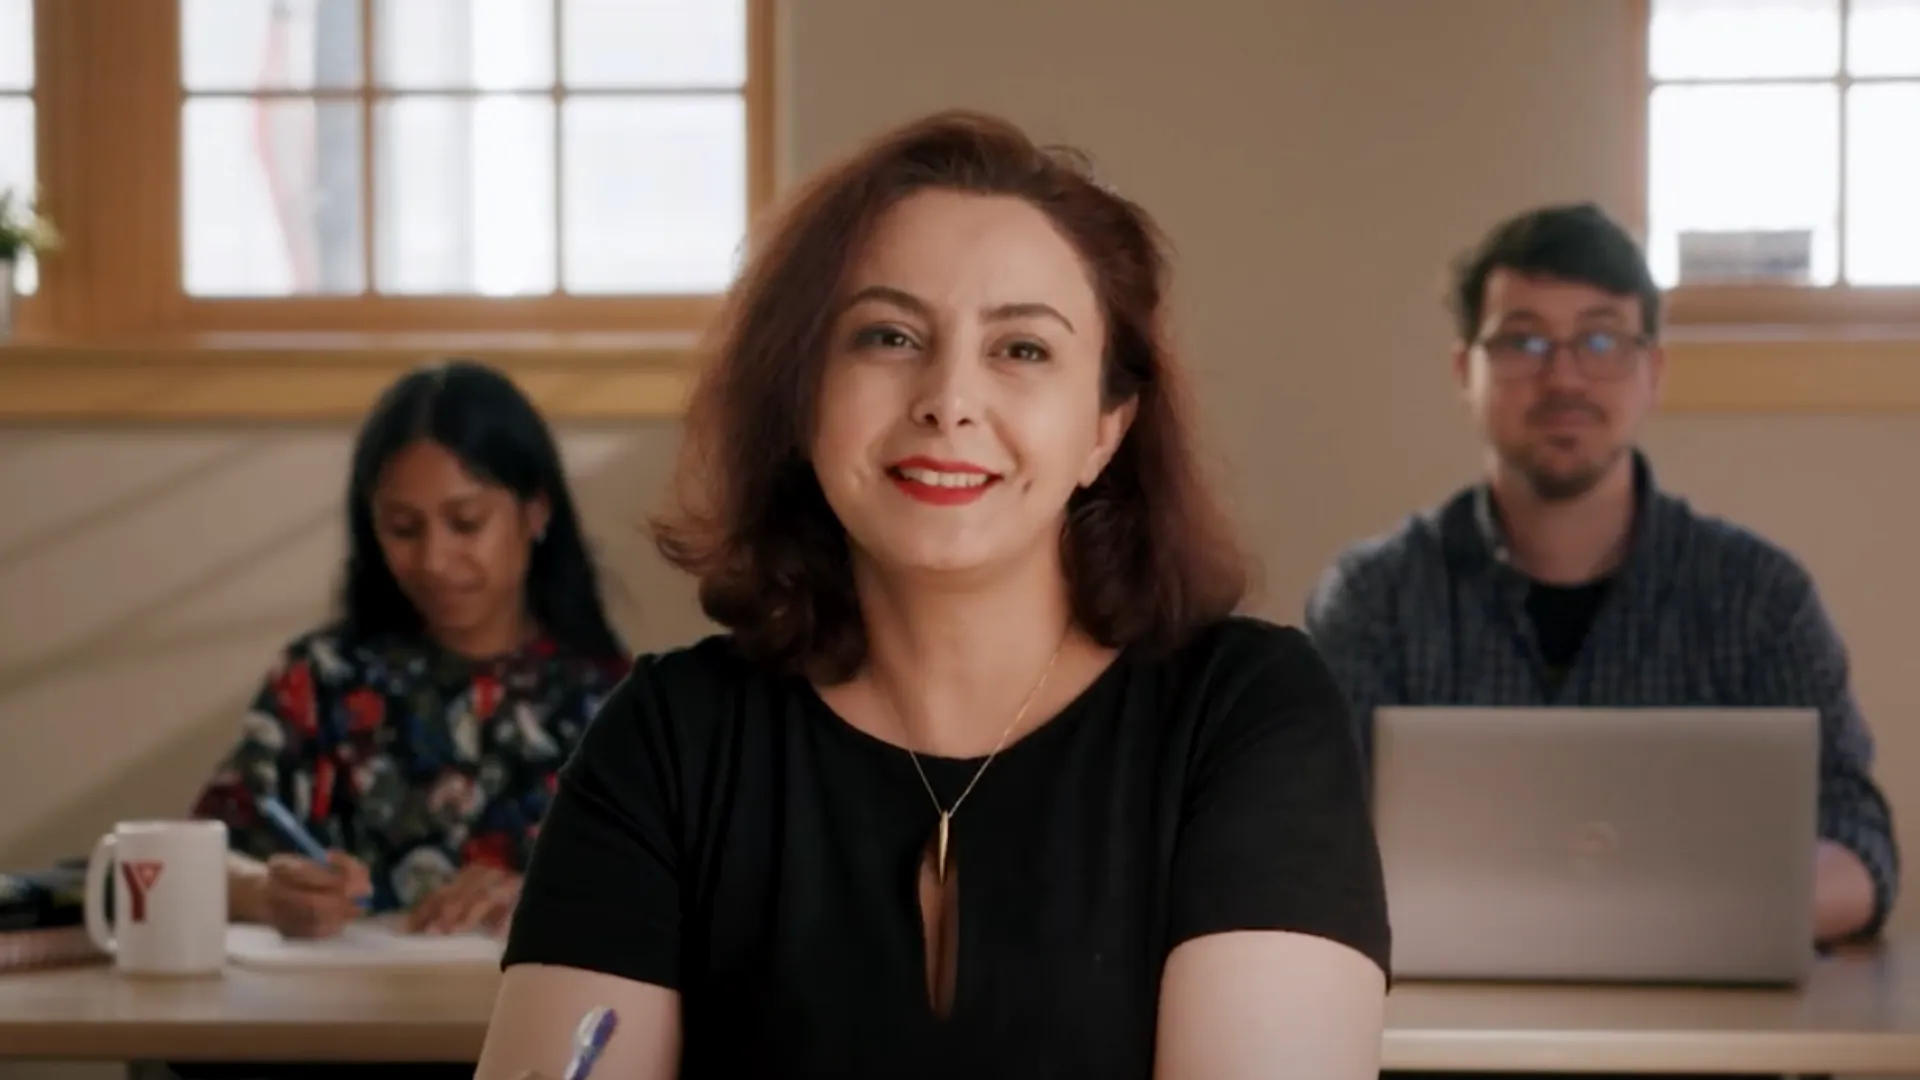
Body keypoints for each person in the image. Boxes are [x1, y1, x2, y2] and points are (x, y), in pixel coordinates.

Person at [473, 110, 1390, 1080]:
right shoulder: (667, 739)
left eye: (1023, 350)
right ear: (803, 397)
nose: (949, 398)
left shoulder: (1246, 714)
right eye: (889, 336)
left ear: (1105, 430)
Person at [1307, 204, 1898, 1076]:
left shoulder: (1759, 596)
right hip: (1446, 1053)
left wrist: (1686, 919)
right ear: (1464, 369)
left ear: (1653, 371)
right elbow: (1309, 847)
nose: (1565, 378)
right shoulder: (1374, 597)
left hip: (1708, 1058)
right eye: (1523, 342)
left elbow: (1863, 852)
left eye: (1602, 340)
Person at [190, 359, 631, 945]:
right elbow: (190, 856)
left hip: (538, 1026)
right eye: (403, 528)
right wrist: (263, 893)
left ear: (536, 512)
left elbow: (684, 899)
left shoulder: (610, 700)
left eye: (466, 523)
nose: (433, 560)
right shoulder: (325, 681)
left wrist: (550, 901)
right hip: (350, 1025)